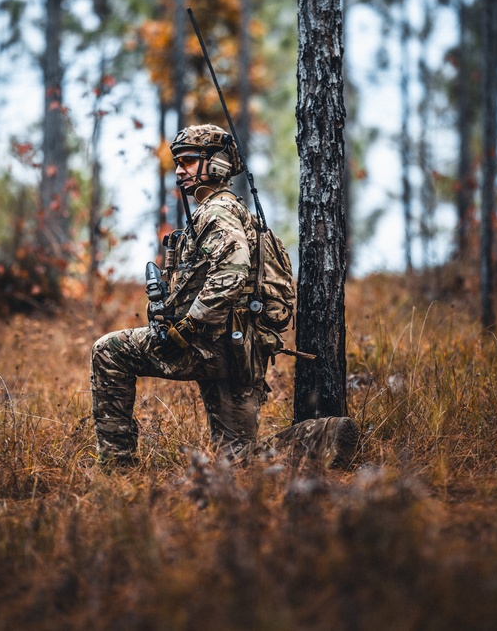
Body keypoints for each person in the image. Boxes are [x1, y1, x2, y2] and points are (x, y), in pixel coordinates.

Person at [90, 123, 357, 467]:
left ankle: (116, 467)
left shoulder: (217, 211)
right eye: (177, 163)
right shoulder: (232, 211)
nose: (179, 171)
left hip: (209, 344)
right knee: (237, 461)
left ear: (216, 164)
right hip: (240, 351)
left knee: (109, 352)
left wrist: (187, 326)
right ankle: (328, 434)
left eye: (187, 161)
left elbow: (233, 273)